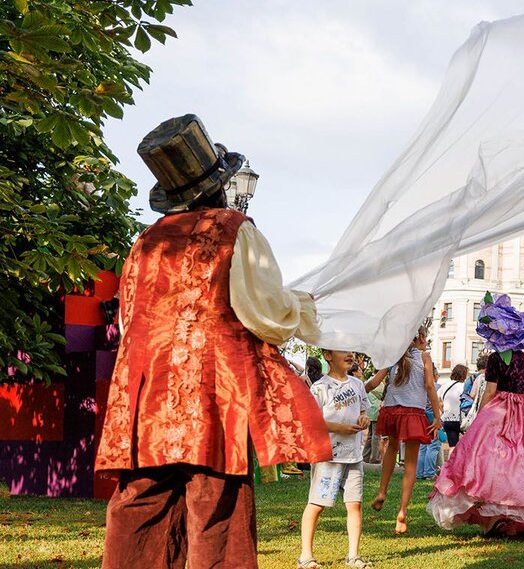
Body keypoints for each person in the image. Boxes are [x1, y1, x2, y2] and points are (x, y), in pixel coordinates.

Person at [95, 115, 330, 568]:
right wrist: (300, 307)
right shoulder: (234, 228)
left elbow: (130, 318)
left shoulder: (145, 241)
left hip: (148, 395)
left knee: (140, 501)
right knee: (215, 502)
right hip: (213, 390)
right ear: (218, 186)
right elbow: (263, 312)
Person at [427, 293, 524, 536]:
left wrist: (479, 420)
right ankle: (516, 517)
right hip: (523, 412)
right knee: (523, 461)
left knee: (493, 460)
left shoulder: (495, 360)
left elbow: (490, 392)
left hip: (498, 411)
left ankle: (495, 518)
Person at [364, 323, 443, 535]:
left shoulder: (393, 355)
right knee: (410, 464)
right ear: (419, 339)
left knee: (391, 448)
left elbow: (375, 382)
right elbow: (429, 386)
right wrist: (437, 415)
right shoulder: (424, 357)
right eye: (424, 337)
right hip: (413, 412)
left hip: (391, 409)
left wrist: (356, 391)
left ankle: (382, 492)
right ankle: (402, 512)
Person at [299, 350, 372, 569]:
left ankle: (353, 555)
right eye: (343, 351)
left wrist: (363, 419)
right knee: (317, 504)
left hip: (354, 456)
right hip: (328, 456)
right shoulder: (319, 388)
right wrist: (340, 428)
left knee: (355, 504)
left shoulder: (357, 384)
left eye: (351, 351)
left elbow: (362, 411)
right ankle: (306, 556)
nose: (350, 355)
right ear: (328, 355)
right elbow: (310, 421)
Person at [441, 364, 469, 448]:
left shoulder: (445, 386)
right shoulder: (464, 386)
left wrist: (444, 410)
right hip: (462, 420)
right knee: (467, 446)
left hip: (448, 419)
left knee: (452, 447)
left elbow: (438, 399)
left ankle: (451, 461)